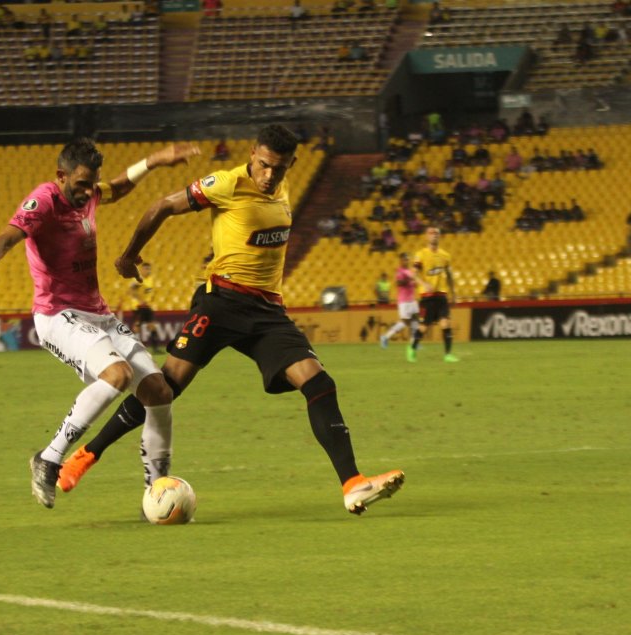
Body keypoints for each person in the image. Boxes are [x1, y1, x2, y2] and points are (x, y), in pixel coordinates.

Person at [62, 125, 405, 516]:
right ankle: (86, 455)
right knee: (165, 388)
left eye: (278, 168)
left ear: (291, 164)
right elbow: (161, 207)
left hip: (267, 312)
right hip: (220, 302)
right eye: (262, 165)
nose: (269, 175)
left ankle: (352, 485)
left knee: (319, 383)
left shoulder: (282, 189)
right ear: (252, 153)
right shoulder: (226, 183)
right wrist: (127, 257)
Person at [0, 139, 197, 509]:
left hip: (97, 314)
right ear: (61, 176)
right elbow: (7, 238)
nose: (89, 191)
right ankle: (50, 458)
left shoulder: (87, 194)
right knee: (117, 375)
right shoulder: (44, 202)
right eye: (82, 183)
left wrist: (154, 160)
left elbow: (117, 189)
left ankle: (156, 489)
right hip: (57, 315)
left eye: (93, 184)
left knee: (159, 392)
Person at [409, 226, 458, 363]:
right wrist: (423, 284)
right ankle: (412, 349)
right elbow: (413, 273)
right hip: (427, 296)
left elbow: (449, 275)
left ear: (439, 236)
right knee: (423, 327)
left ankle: (448, 355)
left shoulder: (445, 255)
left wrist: (453, 293)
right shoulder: (421, 254)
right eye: (431, 233)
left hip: (441, 294)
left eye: (436, 233)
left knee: (445, 323)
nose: (434, 235)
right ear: (426, 236)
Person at [378, 252, 420, 349]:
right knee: (405, 322)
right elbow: (399, 283)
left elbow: (413, 283)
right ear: (401, 260)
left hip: (412, 299)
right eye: (406, 259)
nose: (407, 261)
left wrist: (414, 283)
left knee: (415, 320)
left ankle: (414, 343)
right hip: (404, 301)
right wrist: (410, 280)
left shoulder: (409, 271)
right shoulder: (400, 271)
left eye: (408, 259)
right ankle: (385, 337)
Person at [125, 260, 159, 352]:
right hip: (138, 307)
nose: (148, 271)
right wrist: (141, 300)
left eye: (149, 269)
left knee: (152, 326)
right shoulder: (137, 279)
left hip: (147, 307)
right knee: (137, 327)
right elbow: (132, 291)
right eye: (146, 269)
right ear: (142, 269)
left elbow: (150, 293)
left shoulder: (151, 279)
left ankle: (155, 348)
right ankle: (130, 346)